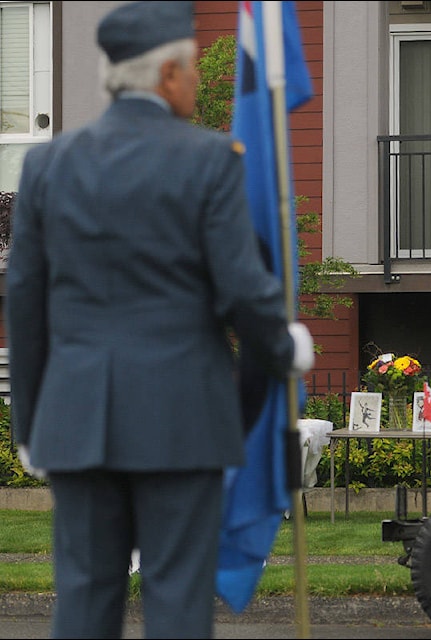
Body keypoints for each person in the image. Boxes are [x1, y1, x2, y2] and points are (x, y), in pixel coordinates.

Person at [5, 2, 314, 638]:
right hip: (183, 418)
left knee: (85, 599)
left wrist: (29, 423)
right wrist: (286, 346)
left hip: (78, 418)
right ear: (168, 74)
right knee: (176, 599)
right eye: (194, 69)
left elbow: (25, 304)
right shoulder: (210, 159)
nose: (198, 81)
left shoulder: (46, 166)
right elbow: (241, 291)